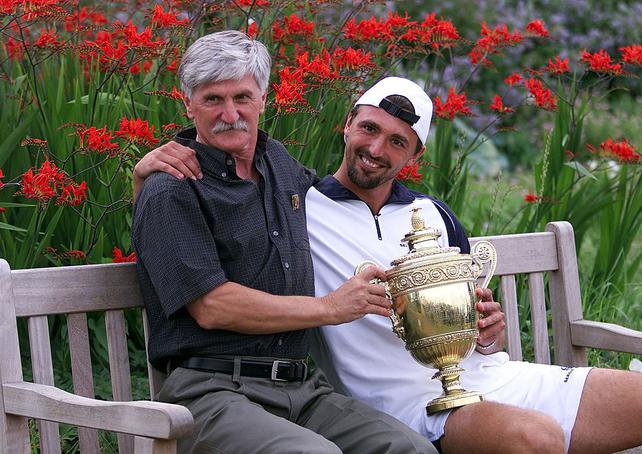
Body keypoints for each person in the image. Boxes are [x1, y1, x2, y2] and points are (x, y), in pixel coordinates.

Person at [134, 70, 642, 453]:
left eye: (398, 141)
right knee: (531, 439)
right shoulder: (299, 202)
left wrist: (485, 329)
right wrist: (145, 171)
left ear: (415, 156)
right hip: (407, 404)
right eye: (369, 129)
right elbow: (211, 211)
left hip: (489, 376)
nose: (376, 149)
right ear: (346, 123)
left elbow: (476, 318)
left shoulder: (434, 215)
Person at [132, 30, 439, 454]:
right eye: (212, 99)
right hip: (210, 393)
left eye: (242, 97)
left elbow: (343, 208)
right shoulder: (172, 188)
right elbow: (212, 307)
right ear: (188, 103)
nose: (230, 113)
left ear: (263, 98)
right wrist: (329, 308)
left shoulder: (278, 164)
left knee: (412, 449)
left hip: (300, 387)